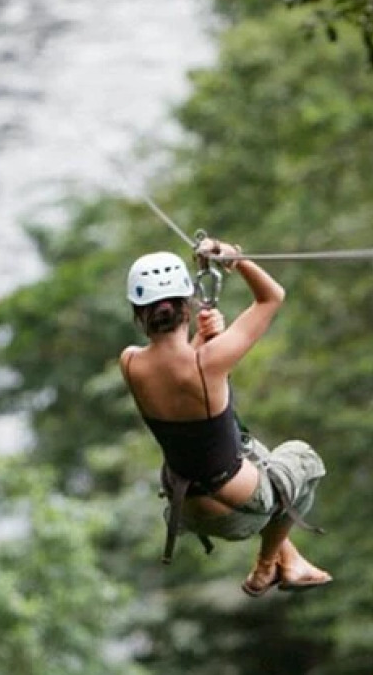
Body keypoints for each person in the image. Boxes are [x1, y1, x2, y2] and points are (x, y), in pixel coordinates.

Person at [118, 240, 332, 596]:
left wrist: (202, 337)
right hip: (240, 507)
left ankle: (291, 560)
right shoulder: (209, 361)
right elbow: (271, 297)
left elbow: (182, 381)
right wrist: (236, 259)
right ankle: (267, 566)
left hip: (186, 508)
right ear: (187, 305)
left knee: (249, 447)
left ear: (139, 313)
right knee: (303, 459)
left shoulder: (130, 363)